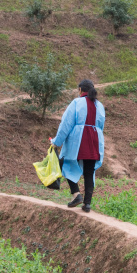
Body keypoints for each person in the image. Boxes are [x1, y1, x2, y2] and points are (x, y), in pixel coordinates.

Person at [50, 79, 105, 213]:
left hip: (79, 141)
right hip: (95, 141)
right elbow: (101, 126)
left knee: (64, 163)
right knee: (89, 171)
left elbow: (65, 125)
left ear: (80, 90)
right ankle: (87, 204)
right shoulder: (100, 106)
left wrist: (56, 142)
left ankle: (76, 195)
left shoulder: (76, 103)